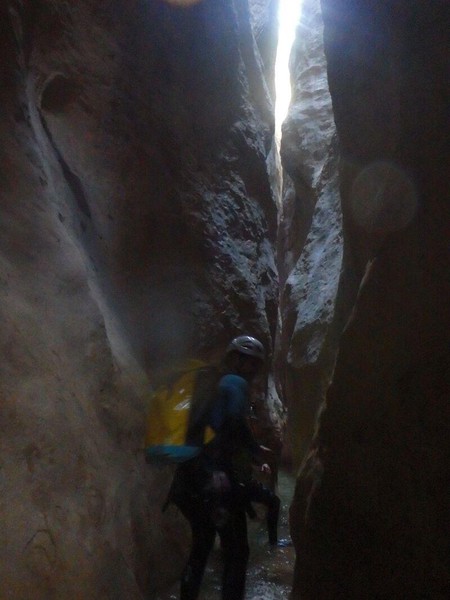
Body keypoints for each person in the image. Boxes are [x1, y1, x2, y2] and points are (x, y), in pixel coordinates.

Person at [172, 335, 273, 600]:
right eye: (250, 363)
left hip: (188, 479)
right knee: (237, 551)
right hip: (216, 484)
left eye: (256, 364)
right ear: (236, 360)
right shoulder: (235, 383)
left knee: (201, 547)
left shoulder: (211, 384)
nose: (254, 369)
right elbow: (235, 421)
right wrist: (254, 451)